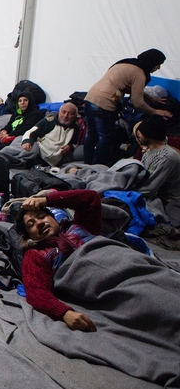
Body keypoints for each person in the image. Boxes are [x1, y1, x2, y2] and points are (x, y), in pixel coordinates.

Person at [15, 190, 108, 332]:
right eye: (31, 224)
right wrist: (65, 313)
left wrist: (47, 200)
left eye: (41, 217)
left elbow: (91, 198)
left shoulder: (81, 226)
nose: (39, 223)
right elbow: (36, 292)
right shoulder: (35, 255)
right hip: (101, 284)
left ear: (54, 218)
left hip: (119, 257)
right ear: (29, 236)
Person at [84, 49, 171, 165]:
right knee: (105, 138)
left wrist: (151, 99)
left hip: (90, 98)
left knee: (91, 135)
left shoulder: (125, 63)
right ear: (152, 62)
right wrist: (156, 112)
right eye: (158, 64)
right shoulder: (140, 73)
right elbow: (138, 103)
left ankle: (87, 164)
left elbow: (129, 88)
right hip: (105, 104)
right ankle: (96, 167)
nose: (158, 68)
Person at [135, 116, 180, 224]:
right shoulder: (149, 152)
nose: (138, 136)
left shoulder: (168, 157)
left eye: (141, 134)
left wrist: (126, 192)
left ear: (149, 135)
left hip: (169, 200)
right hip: (154, 194)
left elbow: (150, 188)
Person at [17, 103, 79, 167]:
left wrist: (70, 147)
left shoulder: (76, 128)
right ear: (59, 112)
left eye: (70, 114)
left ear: (75, 116)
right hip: (40, 152)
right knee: (30, 147)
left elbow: (75, 143)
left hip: (56, 158)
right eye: (63, 112)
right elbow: (31, 132)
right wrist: (27, 141)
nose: (66, 115)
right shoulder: (49, 121)